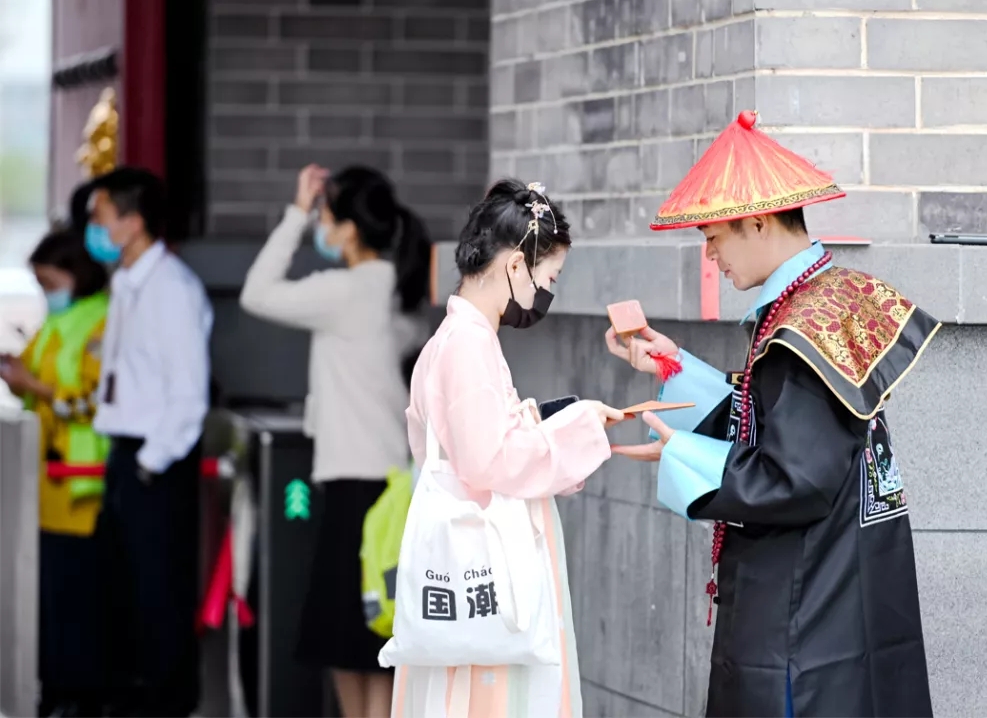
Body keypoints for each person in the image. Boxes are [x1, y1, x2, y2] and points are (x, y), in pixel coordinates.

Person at [606, 111, 938, 718]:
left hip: (805, 611)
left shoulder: (800, 328)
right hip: (848, 586)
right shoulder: (828, 297)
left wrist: (680, 454)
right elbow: (773, 416)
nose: (711, 258)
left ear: (757, 222)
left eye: (715, 238)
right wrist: (673, 365)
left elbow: (794, 477)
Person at [393, 179, 624, 718]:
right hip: (489, 570)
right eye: (550, 277)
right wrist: (580, 429)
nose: (547, 292)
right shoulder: (470, 343)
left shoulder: (450, 341)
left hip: (465, 566)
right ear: (515, 266)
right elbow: (488, 460)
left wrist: (558, 428)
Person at [239, 164, 431, 718]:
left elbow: (257, 293)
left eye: (326, 215)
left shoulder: (346, 290)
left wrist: (295, 213)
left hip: (355, 485)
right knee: (378, 637)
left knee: (348, 639)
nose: (320, 224)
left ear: (348, 228)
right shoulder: (398, 286)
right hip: (394, 482)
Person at [86, 166, 213, 717]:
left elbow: (189, 393)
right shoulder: (127, 282)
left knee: (159, 594)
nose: (93, 225)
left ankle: (164, 704)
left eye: (101, 215)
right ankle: (129, 699)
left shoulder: (172, 290)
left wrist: (149, 463)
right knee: (121, 594)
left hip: (155, 461)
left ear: (132, 222)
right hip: (128, 456)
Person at [0, 227, 111, 717]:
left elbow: (94, 402)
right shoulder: (56, 323)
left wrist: (32, 385)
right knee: (52, 597)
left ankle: (79, 696)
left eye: (50, 282)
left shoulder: (103, 322)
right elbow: (33, 375)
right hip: (48, 485)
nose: (48, 293)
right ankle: (55, 689)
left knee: (79, 601)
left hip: (84, 484)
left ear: (77, 274)